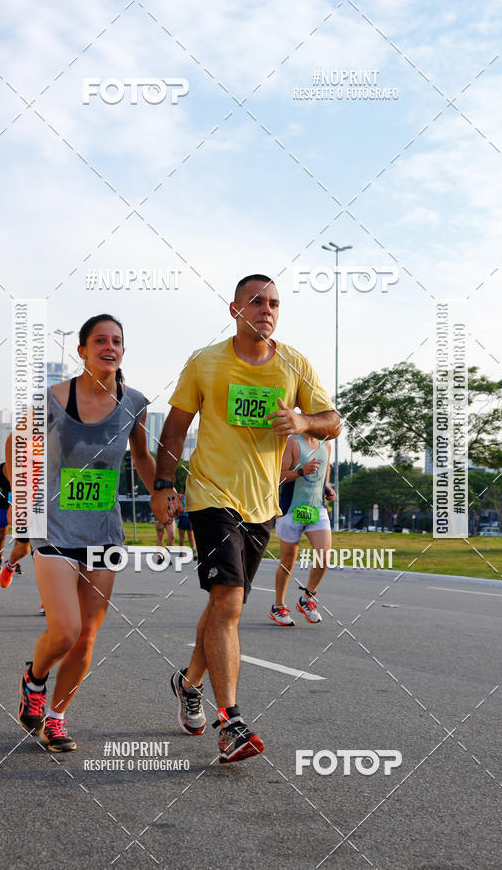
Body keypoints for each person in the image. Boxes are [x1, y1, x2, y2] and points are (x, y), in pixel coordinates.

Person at [151, 275, 339, 763]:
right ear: (234, 309)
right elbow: (174, 427)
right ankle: (230, 721)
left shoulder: (294, 363)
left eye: (274, 303)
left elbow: (332, 421)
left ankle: (188, 682)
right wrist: (164, 486)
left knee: (222, 606)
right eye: (256, 301)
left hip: (262, 505)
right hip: (211, 497)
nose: (266, 309)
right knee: (230, 603)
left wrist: (303, 421)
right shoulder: (206, 361)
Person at [5, 314, 155, 752]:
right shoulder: (51, 399)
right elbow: (17, 447)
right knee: (66, 630)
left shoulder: (135, 402)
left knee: (88, 635)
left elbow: (143, 456)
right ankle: (34, 680)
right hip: (53, 528)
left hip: (104, 533)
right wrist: (22, 497)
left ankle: (56, 716)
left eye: (117, 342)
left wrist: (162, 491)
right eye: (100, 341)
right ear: (82, 350)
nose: (110, 347)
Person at [270, 431, 336, 626]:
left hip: (317, 509)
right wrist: (301, 471)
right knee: (288, 561)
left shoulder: (326, 444)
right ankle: (278, 606)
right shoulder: (293, 442)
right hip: (291, 509)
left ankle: (306, 599)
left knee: (324, 557)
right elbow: (279, 476)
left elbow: (326, 468)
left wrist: (326, 487)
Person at [177, 487, 197, 560]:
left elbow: (179, 509)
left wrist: (178, 514)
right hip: (190, 518)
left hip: (183, 518)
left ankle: (181, 553)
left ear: (183, 490)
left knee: (181, 538)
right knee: (191, 537)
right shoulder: (192, 497)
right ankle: (194, 551)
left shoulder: (181, 498)